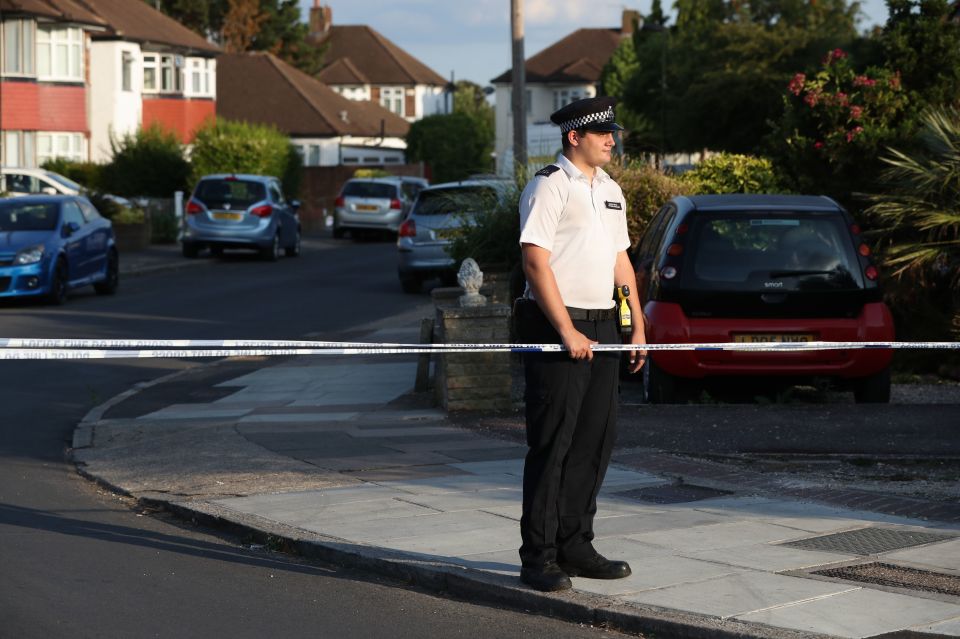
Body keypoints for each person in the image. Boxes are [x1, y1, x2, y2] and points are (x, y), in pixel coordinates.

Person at [514, 96, 647, 592]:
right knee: (554, 442)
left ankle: (576, 545)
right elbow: (535, 261)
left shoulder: (610, 189)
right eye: (604, 133)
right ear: (576, 137)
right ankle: (539, 557)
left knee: (595, 439)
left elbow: (621, 262)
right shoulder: (549, 186)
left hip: (605, 323)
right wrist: (567, 330)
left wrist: (637, 325)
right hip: (556, 323)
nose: (612, 139)